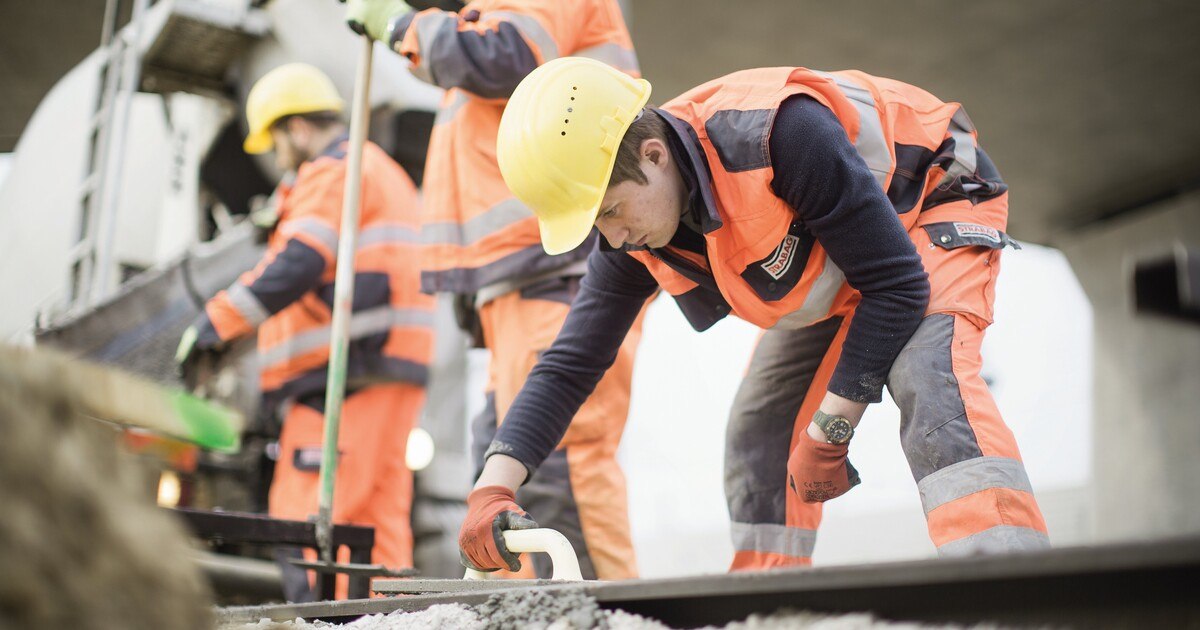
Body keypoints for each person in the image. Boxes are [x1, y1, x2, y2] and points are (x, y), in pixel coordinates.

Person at [458, 57, 1051, 573]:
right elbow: (570, 363)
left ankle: (1007, 578)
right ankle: (769, 604)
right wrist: (492, 490)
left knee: (928, 376)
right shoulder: (634, 237)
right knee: (761, 428)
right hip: (853, 255)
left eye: (611, 211)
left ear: (654, 153)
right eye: (596, 226)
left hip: (932, 195)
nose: (613, 239)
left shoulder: (778, 134)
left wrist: (834, 425)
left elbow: (895, 286)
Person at [344, 0, 645, 580]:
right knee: (507, 480)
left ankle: (605, 618)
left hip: (558, 269)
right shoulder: (488, 11)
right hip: (525, 275)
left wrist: (404, 26)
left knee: (560, 464)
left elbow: (510, 55)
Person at [175, 63, 435, 598]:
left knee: (306, 524)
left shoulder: (332, 171)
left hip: (342, 382)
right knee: (375, 536)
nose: (275, 157)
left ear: (295, 129)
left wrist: (214, 326)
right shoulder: (378, 170)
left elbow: (299, 261)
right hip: (388, 371)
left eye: (274, 142)